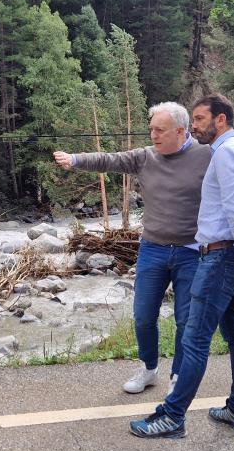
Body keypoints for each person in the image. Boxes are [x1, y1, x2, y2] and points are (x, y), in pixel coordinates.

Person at [129, 94, 234, 439]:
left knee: (194, 339)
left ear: (219, 120)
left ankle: (173, 417)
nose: (194, 127)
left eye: (198, 119)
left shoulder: (223, 154)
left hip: (222, 256)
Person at [53, 102, 211, 395]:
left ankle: (178, 375)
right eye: (150, 128)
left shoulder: (207, 155)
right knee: (143, 316)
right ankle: (149, 369)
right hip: (153, 249)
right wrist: (75, 159)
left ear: (181, 130)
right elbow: (109, 160)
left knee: (185, 319)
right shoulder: (145, 157)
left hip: (192, 251)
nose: (153, 134)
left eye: (159, 130)